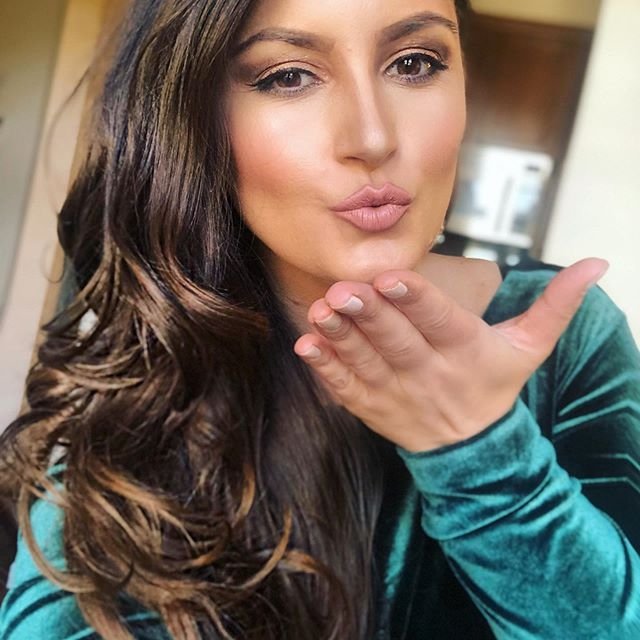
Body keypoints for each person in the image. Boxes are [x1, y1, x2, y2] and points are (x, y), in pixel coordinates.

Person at [1, 0, 639, 638]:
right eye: (288, 76)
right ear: (192, 117)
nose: (373, 137)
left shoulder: (561, 331)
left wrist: (478, 450)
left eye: (414, 63)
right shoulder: (148, 361)